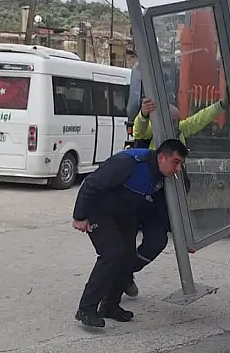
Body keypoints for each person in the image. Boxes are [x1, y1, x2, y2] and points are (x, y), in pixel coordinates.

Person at [71, 139, 188, 328]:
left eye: (181, 164)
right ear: (161, 157)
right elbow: (91, 184)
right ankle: (86, 309)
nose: (178, 169)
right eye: (176, 162)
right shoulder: (130, 163)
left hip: (124, 214)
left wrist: (183, 238)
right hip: (99, 210)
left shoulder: (162, 177)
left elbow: (162, 212)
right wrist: (80, 216)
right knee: (112, 254)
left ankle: (110, 306)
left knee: (126, 258)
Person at [125, 95, 227, 297]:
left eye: (177, 121)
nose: (176, 125)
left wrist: (221, 105)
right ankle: (119, 278)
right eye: (172, 121)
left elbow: (199, 119)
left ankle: (125, 273)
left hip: (162, 198)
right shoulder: (151, 131)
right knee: (125, 241)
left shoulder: (180, 130)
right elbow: (139, 130)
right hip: (141, 195)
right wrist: (144, 114)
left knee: (156, 241)